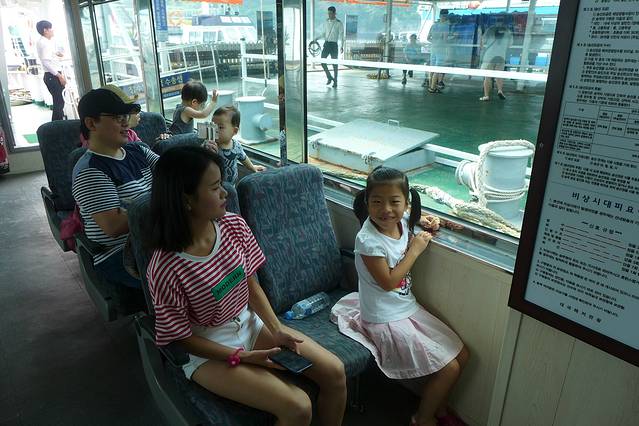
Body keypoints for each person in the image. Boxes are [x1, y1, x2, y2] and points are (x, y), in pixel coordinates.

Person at [146, 146, 347, 426]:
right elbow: (181, 337)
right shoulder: (166, 266)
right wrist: (242, 357)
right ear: (186, 198)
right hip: (209, 348)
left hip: (250, 324)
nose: (225, 193)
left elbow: (251, 286)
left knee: (335, 373)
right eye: (215, 187)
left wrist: (276, 329)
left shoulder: (234, 226)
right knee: (298, 407)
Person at [331, 166, 470, 426]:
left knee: (462, 355)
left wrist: (425, 221)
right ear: (367, 203)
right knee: (449, 368)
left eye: (394, 202)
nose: (386, 210)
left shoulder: (402, 220)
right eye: (377, 202)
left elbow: (407, 219)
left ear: (406, 204)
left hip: (406, 307)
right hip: (383, 316)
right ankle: (422, 419)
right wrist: (415, 250)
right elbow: (388, 282)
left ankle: (439, 408)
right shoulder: (368, 240)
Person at [72, 88, 159, 288]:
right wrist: (169, 201)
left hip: (156, 238)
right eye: (117, 117)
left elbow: (175, 174)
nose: (126, 122)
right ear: (91, 123)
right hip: (121, 253)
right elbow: (115, 226)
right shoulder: (90, 171)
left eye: (125, 116)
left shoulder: (138, 150)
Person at [211, 106, 265, 184]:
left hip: (232, 185)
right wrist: (207, 150)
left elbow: (244, 158)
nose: (215, 130)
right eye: (213, 126)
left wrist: (253, 167)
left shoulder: (236, 146)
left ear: (234, 131)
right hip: (215, 186)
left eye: (220, 127)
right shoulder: (210, 145)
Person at [36, 20, 66, 121]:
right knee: (59, 103)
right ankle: (57, 126)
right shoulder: (45, 43)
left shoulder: (43, 42)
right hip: (52, 76)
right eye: (51, 28)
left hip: (50, 76)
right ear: (45, 30)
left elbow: (48, 57)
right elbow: (46, 62)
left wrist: (56, 53)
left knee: (59, 102)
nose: (53, 30)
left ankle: (58, 124)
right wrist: (59, 76)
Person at [479, 16, 513, 101]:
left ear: (495, 21)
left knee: (487, 77)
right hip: (501, 55)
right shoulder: (508, 31)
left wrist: (481, 35)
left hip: (490, 55)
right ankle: (500, 90)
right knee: (499, 75)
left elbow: (483, 42)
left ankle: (486, 95)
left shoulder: (490, 29)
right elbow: (510, 45)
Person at [314, 6, 344, 88]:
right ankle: (329, 77)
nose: (329, 15)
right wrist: (316, 38)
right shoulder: (326, 22)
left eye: (330, 13)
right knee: (322, 62)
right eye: (328, 13)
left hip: (334, 45)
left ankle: (335, 81)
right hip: (326, 44)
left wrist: (342, 46)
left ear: (334, 13)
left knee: (335, 64)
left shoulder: (339, 23)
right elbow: (324, 33)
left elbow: (342, 36)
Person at [427, 10, 451, 93]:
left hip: (433, 49)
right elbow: (445, 39)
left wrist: (435, 42)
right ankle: (433, 88)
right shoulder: (446, 26)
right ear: (446, 16)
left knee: (432, 69)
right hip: (441, 50)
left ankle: (430, 85)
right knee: (437, 69)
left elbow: (428, 38)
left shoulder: (434, 25)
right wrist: (453, 37)